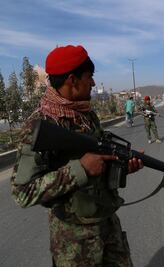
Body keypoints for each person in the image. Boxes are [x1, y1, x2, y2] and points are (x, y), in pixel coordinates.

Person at [10, 45, 144, 267]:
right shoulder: (40, 127)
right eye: (89, 77)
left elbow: (100, 162)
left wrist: (122, 165)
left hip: (107, 222)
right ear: (72, 80)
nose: (92, 83)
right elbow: (22, 193)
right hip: (73, 239)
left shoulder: (87, 115)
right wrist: (79, 169)